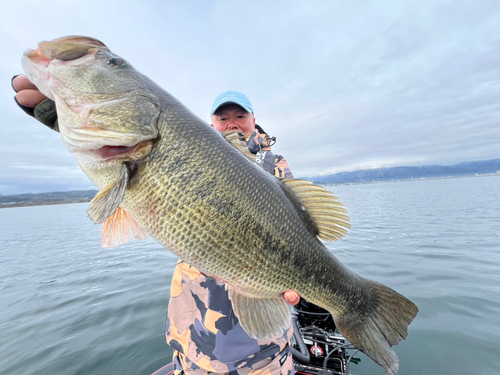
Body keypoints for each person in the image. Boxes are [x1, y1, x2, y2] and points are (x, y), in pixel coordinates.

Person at [12, 76, 301, 375]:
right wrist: (92, 135)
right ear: (211, 123)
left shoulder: (273, 163)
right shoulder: (189, 151)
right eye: (223, 117)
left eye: (241, 116)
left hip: (263, 313)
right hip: (196, 313)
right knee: (193, 356)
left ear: (254, 120)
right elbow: (160, 198)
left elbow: (296, 224)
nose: (233, 123)